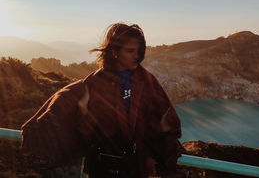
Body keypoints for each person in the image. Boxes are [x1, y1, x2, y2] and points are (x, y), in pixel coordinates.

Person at [21, 23, 184, 178]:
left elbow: (164, 117)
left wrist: (157, 150)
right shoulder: (95, 83)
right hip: (103, 166)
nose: (137, 56)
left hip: (136, 167)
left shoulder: (146, 80)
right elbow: (86, 131)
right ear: (114, 51)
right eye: (130, 51)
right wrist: (82, 111)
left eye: (139, 51)